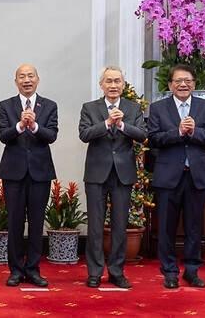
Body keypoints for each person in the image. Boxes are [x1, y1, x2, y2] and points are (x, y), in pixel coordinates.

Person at [148, 64, 205, 289]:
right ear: (170, 85)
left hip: (196, 176)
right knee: (167, 228)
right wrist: (178, 132)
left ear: (194, 84)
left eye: (187, 81)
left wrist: (195, 131)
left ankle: (191, 270)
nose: (183, 84)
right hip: (168, 176)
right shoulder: (158, 108)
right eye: (178, 81)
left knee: (193, 227)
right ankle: (169, 271)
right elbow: (153, 139)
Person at [78, 66, 146, 289]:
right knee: (96, 226)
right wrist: (107, 123)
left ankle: (117, 271)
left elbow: (143, 135)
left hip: (123, 173)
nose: (113, 85)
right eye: (109, 81)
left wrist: (123, 124)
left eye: (117, 81)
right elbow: (85, 134)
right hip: (97, 173)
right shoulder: (90, 108)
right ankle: (95, 272)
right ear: (102, 85)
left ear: (123, 85)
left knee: (119, 225)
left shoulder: (133, 108)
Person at [0, 64, 58, 287]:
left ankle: (33, 269)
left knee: (36, 222)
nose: (26, 80)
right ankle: (15, 270)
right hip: (13, 172)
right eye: (22, 77)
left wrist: (35, 126)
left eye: (30, 76)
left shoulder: (49, 106)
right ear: (16, 82)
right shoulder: (6, 105)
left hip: (40, 172)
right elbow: (3, 135)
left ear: (38, 80)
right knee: (14, 222)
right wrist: (21, 125)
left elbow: (51, 135)